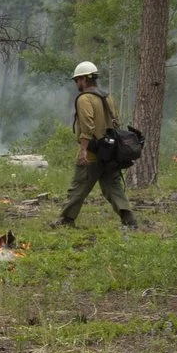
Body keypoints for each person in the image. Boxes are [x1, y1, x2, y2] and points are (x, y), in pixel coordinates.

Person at [59, 60, 136, 228]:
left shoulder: (84, 99)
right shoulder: (107, 97)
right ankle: (128, 218)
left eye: (77, 80)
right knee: (113, 187)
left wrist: (83, 150)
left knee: (79, 186)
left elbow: (87, 126)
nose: (76, 83)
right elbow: (116, 121)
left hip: (93, 152)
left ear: (83, 79)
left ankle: (66, 220)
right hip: (110, 152)